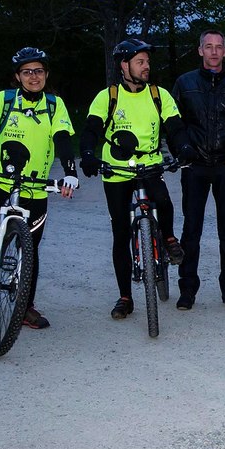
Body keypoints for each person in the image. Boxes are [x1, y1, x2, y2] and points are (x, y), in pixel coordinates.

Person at [0, 47, 79, 330]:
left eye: (39, 71)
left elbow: (63, 139)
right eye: (27, 72)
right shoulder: (4, 100)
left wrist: (70, 172)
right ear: (17, 76)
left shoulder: (55, 105)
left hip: (34, 187)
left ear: (46, 74)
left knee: (29, 249)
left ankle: (24, 306)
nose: (34, 77)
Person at [79, 38, 192, 321]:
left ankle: (167, 238)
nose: (146, 67)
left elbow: (175, 128)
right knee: (120, 231)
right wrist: (88, 155)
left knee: (164, 202)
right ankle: (125, 297)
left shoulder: (158, 95)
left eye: (148, 62)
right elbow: (91, 129)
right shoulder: (108, 96)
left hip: (150, 164)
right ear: (124, 65)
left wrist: (185, 148)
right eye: (140, 62)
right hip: (116, 168)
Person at [170, 29, 225, 310]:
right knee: (191, 231)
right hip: (194, 166)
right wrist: (182, 153)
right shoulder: (184, 83)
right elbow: (173, 124)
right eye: (207, 46)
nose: (213, 52)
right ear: (199, 51)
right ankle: (187, 291)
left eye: (218, 47)